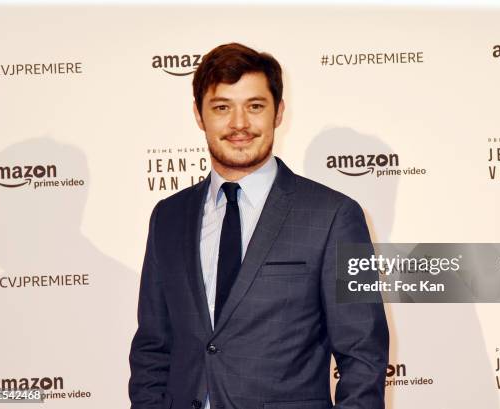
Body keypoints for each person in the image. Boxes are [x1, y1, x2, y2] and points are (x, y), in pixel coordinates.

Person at [129, 42, 389, 409]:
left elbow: (363, 353)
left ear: (278, 113)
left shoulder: (334, 216)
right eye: (222, 108)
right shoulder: (168, 217)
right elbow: (153, 346)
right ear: (199, 116)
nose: (239, 124)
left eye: (255, 106)